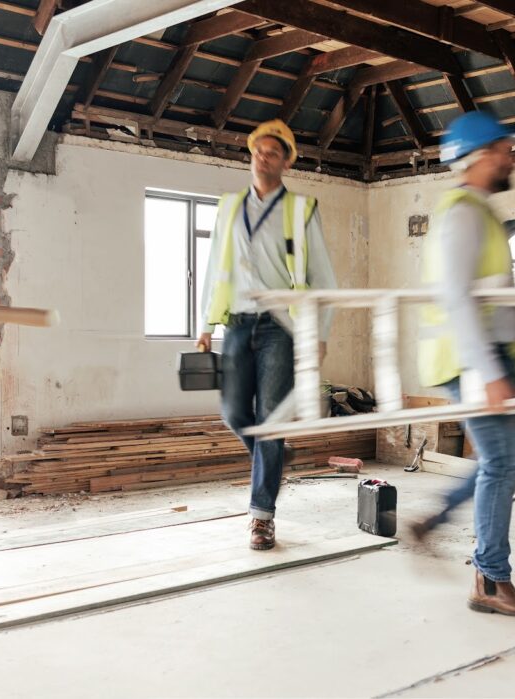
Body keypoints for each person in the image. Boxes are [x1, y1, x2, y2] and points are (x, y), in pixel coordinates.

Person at [411, 112, 515, 617]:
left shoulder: (480, 212)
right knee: (502, 464)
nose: (509, 159)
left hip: (486, 359)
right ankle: (491, 581)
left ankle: (436, 524)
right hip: (471, 361)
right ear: (478, 157)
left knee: (500, 460)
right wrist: (489, 372)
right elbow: (456, 298)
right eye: (503, 151)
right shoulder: (463, 215)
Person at [197, 120, 337, 550]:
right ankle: (274, 453)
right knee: (233, 413)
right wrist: (205, 325)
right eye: (259, 150)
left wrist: (320, 333)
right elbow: (214, 266)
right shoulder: (229, 207)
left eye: (273, 152)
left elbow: (323, 278)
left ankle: (261, 517)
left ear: (286, 162)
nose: (263, 157)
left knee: (271, 420)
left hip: (282, 327)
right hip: (237, 324)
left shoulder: (301, 209)